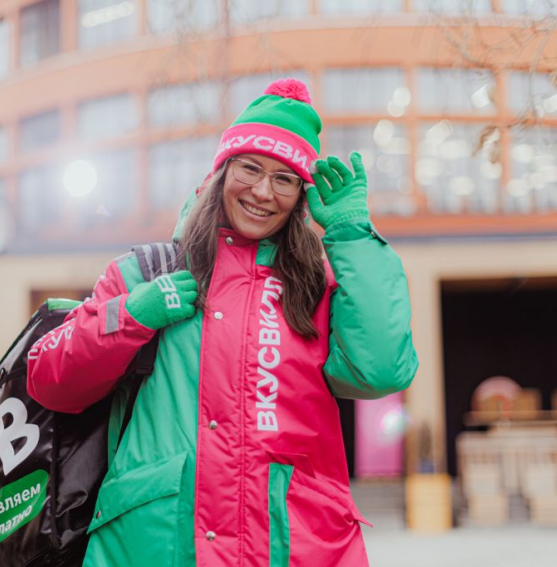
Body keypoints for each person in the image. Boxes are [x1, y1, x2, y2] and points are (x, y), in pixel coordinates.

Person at [27, 78, 419, 567]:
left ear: (301, 195)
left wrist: (351, 234)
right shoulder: (147, 272)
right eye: (250, 168)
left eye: (284, 178)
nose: (262, 191)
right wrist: (131, 315)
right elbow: (50, 381)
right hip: (157, 545)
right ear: (220, 171)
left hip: (294, 546)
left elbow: (380, 370)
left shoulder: (318, 285)